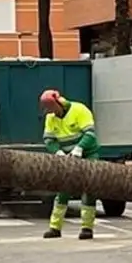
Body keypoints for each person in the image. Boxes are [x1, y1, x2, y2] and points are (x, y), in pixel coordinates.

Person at [39, 88, 99, 240]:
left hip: (87, 154)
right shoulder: (51, 117)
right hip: (66, 157)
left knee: (90, 189)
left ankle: (87, 228)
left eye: (52, 109)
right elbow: (49, 139)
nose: (51, 113)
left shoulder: (79, 110)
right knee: (63, 190)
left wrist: (79, 148)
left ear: (59, 104)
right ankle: (55, 228)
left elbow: (90, 134)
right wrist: (58, 152)